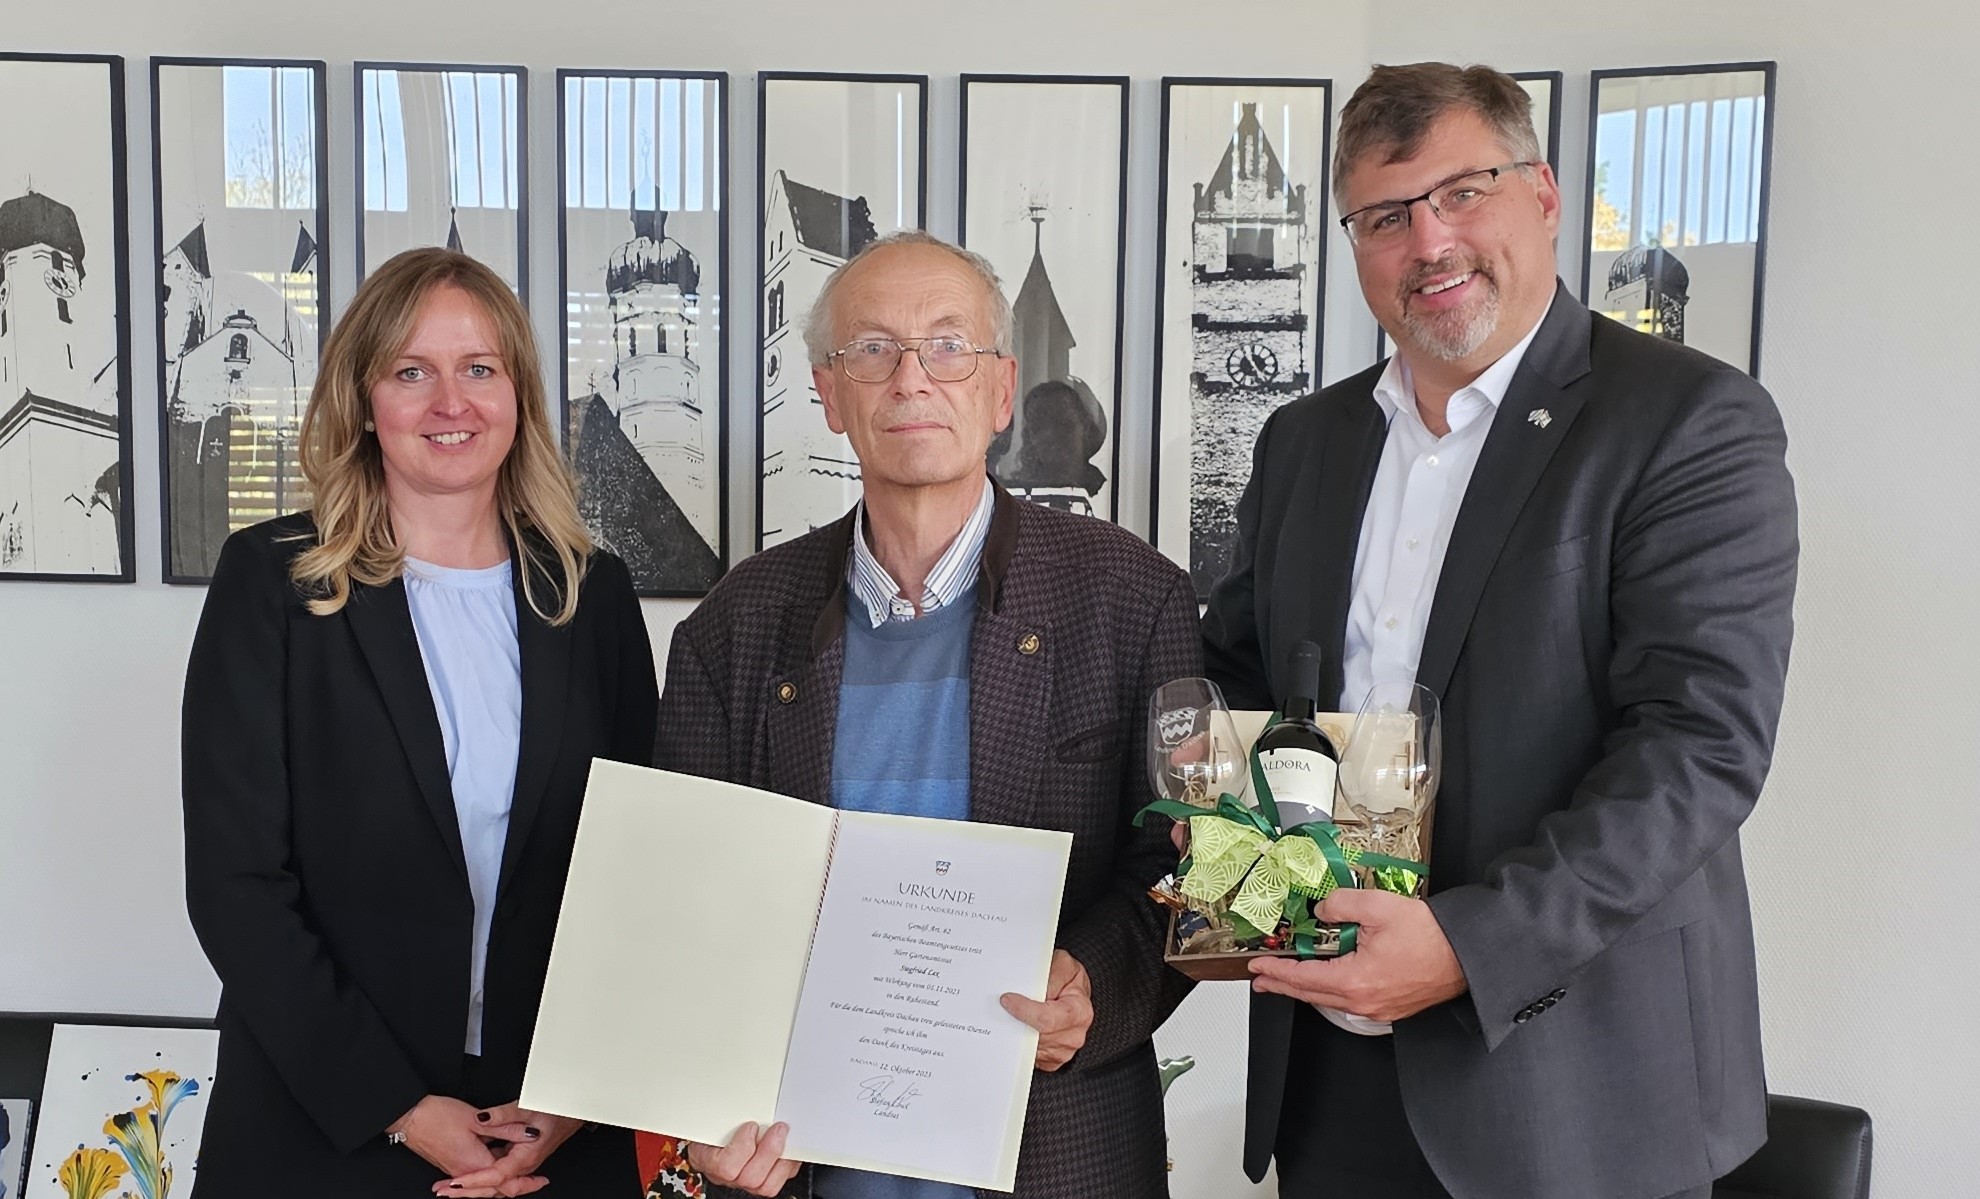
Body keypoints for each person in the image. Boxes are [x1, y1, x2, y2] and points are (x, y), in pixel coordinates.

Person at [1199, 63, 1798, 1199]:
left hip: (1576, 1089)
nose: (1429, 242)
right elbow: (1242, 674)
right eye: (1385, 216)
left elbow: (1698, 748)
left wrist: (1469, 948)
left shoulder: (1688, 421)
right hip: (1332, 1069)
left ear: (1544, 195)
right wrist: (1210, 822)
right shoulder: (1303, 442)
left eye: (1463, 191)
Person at [656, 231, 1199, 1199]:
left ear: (1000, 391)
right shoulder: (733, 626)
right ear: (828, 393)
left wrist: (1094, 982)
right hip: (805, 1167)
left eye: (949, 345)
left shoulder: (1132, 600)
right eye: (873, 350)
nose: (912, 378)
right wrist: (705, 1108)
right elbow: (686, 906)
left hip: (1061, 1157)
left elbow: (1184, 864)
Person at [182, 248, 658, 1198]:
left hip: (548, 1135)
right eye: (412, 372)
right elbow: (236, 887)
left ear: (517, 394)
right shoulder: (272, 583)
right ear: (364, 400)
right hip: (325, 1129)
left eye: (480, 369)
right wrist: (398, 1105)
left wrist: (575, 1094)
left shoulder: (590, 593)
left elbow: (641, 865)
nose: (452, 402)